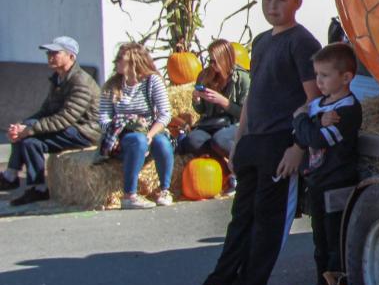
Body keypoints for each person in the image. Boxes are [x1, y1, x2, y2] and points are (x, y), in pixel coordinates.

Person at [177, 0, 321, 285]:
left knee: (268, 223)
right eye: (267, 0)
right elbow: (255, 96)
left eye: (281, 0)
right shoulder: (260, 42)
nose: (273, 7)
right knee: (240, 218)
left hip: (280, 144)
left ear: (297, 3)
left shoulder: (302, 43)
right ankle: (220, 282)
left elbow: (313, 100)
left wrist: (298, 147)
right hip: (253, 141)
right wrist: (239, 141)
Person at [293, 43, 364, 285]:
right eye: (316, 75)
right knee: (319, 242)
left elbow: (312, 138)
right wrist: (311, 123)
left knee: (336, 242)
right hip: (316, 182)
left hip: (337, 182)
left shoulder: (347, 110)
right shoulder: (318, 106)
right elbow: (298, 136)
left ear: (346, 78)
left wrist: (303, 119)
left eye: (324, 75)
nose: (319, 81)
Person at [2, 37, 103, 206]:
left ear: (71, 56)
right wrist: (23, 125)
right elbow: (46, 110)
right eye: (49, 53)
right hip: (69, 127)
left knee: (30, 140)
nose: (50, 56)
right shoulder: (59, 78)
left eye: (56, 53)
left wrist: (29, 129)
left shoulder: (80, 82)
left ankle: (36, 188)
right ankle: (14, 178)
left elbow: (65, 118)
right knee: (26, 135)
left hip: (84, 132)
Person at [98, 43, 174, 209]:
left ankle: (165, 190)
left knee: (162, 142)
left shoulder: (152, 81)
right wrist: (114, 133)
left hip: (150, 130)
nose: (115, 61)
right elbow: (103, 119)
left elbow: (165, 114)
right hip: (124, 134)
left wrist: (150, 135)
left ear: (134, 62)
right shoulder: (112, 86)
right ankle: (129, 195)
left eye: (120, 58)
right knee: (138, 140)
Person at [179, 39, 252, 190]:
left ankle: (246, 173)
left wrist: (224, 102)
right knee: (192, 140)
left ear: (225, 59)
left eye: (214, 61)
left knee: (220, 140)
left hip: (235, 123)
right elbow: (200, 110)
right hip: (211, 123)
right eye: (209, 60)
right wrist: (197, 100)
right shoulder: (205, 76)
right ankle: (227, 173)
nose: (211, 64)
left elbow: (247, 113)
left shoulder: (242, 78)